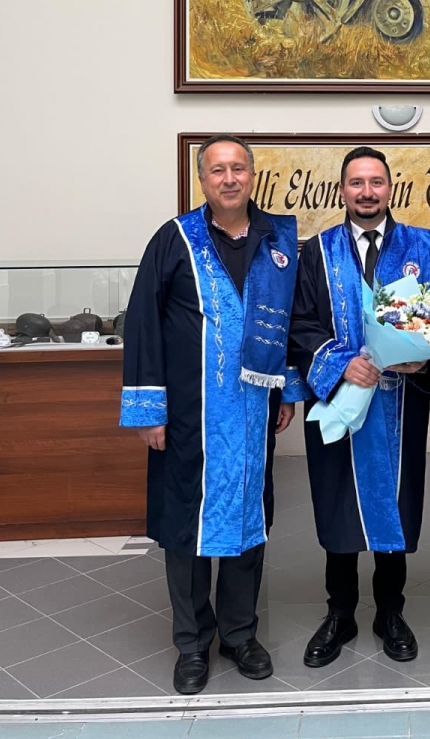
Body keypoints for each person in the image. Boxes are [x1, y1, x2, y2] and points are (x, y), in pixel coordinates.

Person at [119, 135, 304, 696]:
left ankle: (241, 635)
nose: (229, 178)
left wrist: (287, 389)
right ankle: (192, 643)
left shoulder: (278, 241)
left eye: (238, 168)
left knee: (248, 522)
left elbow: (291, 320)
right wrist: (149, 410)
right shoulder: (175, 239)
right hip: (189, 416)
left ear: (252, 176)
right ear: (202, 180)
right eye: (217, 169)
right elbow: (143, 323)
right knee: (187, 527)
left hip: (252, 411)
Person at [289, 147, 430, 668]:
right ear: (342, 191)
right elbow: (300, 323)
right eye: (357, 183)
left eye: (376, 182)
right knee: (338, 504)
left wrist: (423, 359)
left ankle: (390, 613)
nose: (367, 192)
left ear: (389, 188)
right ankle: (340, 613)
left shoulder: (423, 247)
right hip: (340, 401)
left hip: (399, 405)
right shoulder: (319, 250)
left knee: (393, 504)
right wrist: (339, 363)